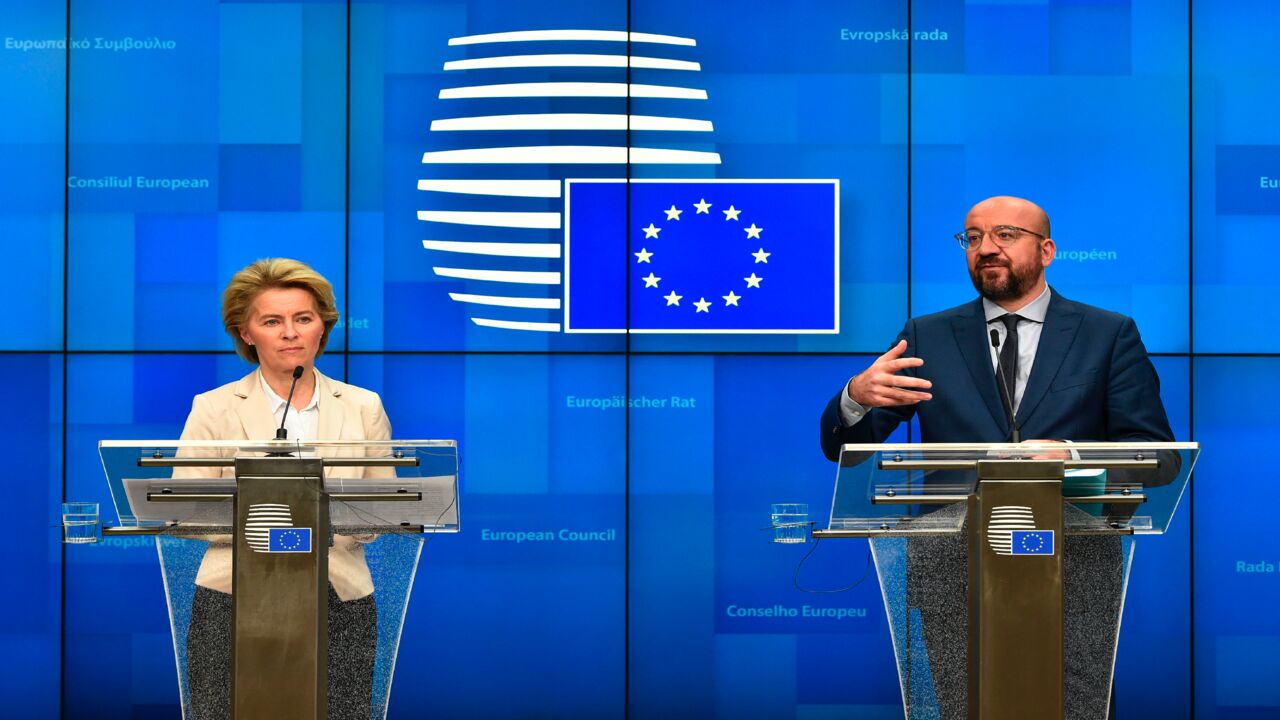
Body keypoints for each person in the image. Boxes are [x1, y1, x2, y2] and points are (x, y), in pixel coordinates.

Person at [819, 196, 1175, 719]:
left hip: (1073, 573)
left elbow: (1159, 459)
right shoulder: (927, 336)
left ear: (1046, 250)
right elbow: (845, 448)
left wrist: (1072, 455)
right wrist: (855, 396)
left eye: (1005, 235)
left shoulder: (1108, 334)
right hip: (951, 572)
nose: (987, 248)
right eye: (973, 237)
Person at [177, 258, 391, 720]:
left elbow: (382, 508)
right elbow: (187, 510)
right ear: (247, 332)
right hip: (230, 596)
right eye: (272, 321)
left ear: (322, 328)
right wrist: (277, 534)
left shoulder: (362, 407)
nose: (290, 332)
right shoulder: (213, 408)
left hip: (340, 595)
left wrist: (318, 533)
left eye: (303, 319)